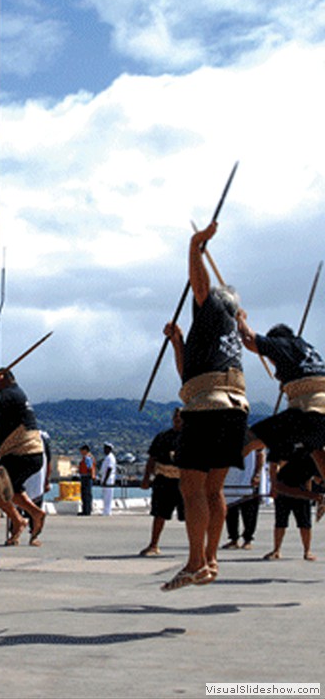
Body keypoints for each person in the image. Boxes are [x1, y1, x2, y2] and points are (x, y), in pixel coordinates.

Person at [161, 221, 249, 591]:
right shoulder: (227, 328)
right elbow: (189, 376)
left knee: (192, 488)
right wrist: (178, 342)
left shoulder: (213, 308)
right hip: (233, 406)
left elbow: (200, 285)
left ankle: (196, 561)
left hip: (208, 407)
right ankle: (210, 561)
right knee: (212, 491)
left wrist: (194, 246)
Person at [234, 318, 325, 499]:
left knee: (249, 439)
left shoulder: (282, 344)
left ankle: (214, 484)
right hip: (320, 414)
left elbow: (249, 340)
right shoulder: (308, 349)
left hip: (307, 411)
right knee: (315, 448)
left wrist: (240, 319)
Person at [0, 368, 47, 546]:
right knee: (13, 490)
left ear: (4, 379)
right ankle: (33, 514)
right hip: (27, 455)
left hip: (23, 454)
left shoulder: (11, 393)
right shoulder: (9, 399)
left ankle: (18, 520)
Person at [139, 409, 184, 556]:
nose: (177, 419)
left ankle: (197, 548)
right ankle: (154, 545)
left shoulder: (193, 438)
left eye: (181, 417)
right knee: (159, 513)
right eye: (175, 417)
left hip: (185, 481)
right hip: (163, 479)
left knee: (192, 515)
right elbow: (151, 459)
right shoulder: (162, 437)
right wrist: (146, 478)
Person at [263, 455, 321, 561]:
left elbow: (314, 476)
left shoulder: (312, 452)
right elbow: (273, 466)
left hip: (302, 490)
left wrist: (310, 492)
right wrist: (273, 486)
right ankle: (276, 550)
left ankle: (307, 551)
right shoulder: (286, 448)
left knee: (305, 523)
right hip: (283, 487)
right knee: (280, 522)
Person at [222, 447, 265, 550]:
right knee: (230, 510)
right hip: (230, 479)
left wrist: (257, 474)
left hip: (248, 477)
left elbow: (260, 455)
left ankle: (248, 539)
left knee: (249, 512)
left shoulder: (252, 434)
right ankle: (233, 538)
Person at [99, 443, 117, 517]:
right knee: (105, 495)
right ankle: (106, 510)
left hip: (109, 479)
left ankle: (107, 511)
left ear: (109, 449)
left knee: (108, 496)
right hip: (106, 478)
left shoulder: (110, 458)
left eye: (106, 448)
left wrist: (105, 480)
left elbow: (109, 469)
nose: (104, 450)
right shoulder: (107, 457)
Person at [78, 445, 95, 516]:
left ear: (85, 450)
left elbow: (90, 467)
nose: (80, 452)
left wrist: (91, 475)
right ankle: (85, 509)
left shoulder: (87, 458)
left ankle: (86, 510)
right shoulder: (87, 458)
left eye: (82, 450)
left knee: (86, 494)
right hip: (85, 477)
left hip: (86, 478)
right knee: (85, 494)